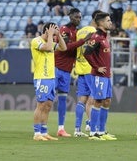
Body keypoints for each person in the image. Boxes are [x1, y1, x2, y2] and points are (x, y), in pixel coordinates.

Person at [31, 22, 67, 141]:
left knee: (48, 105)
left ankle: (44, 132)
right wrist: (51, 35)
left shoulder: (52, 42)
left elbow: (64, 48)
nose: (55, 31)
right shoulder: (36, 41)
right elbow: (47, 48)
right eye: (53, 28)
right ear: (46, 30)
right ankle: (37, 133)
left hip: (51, 77)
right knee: (40, 105)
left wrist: (59, 35)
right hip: (42, 77)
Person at [84, 12, 117, 140]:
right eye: (108, 20)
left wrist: (108, 69)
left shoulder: (104, 37)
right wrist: (97, 67)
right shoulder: (96, 37)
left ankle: (102, 131)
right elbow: (87, 53)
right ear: (101, 23)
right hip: (98, 76)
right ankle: (93, 132)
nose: (110, 22)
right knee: (98, 101)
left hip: (106, 75)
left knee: (107, 100)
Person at [55, 8, 84, 137]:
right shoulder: (64, 30)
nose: (79, 19)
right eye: (77, 17)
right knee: (47, 100)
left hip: (67, 71)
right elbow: (65, 48)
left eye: (80, 17)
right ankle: (40, 128)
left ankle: (61, 128)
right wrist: (82, 41)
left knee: (62, 99)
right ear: (71, 16)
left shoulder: (77, 32)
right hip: (55, 68)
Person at [74, 10, 102, 137]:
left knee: (82, 100)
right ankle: (92, 126)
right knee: (93, 99)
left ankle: (77, 129)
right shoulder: (95, 33)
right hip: (90, 70)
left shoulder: (79, 31)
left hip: (80, 69)